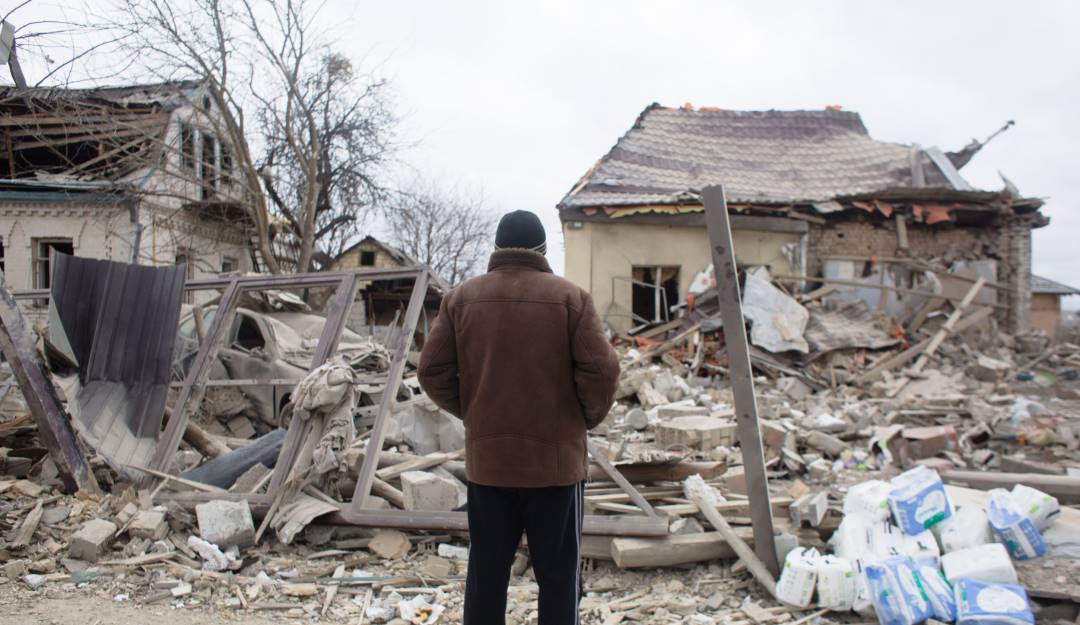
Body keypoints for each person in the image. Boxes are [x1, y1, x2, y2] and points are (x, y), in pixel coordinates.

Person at [418, 209, 620, 625]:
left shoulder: (461, 299)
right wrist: (583, 419)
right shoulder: (571, 299)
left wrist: (475, 411)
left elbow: (431, 371)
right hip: (556, 470)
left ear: (496, 248)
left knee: (487, 575)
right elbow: (602, 371)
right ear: (543, 251)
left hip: (490, 466)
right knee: (559, 578)